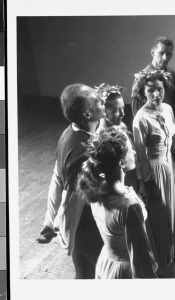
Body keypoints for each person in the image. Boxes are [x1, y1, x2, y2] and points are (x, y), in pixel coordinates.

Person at [37, 84, 104, 279]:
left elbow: (56, 176)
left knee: (84, 274)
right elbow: (68, 196)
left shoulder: (72, 132)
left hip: (85, 224)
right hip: (87, 225)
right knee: (100, 274)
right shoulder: (79, 152)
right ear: (86, 114)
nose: (102, 100)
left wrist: (48, 221)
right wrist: (55, 224)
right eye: (96, 100)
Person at [77, 127, 158, 279]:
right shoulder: (128, 206)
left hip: (107, 262)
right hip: (126, 271)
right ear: (121, 162)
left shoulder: (96, 187)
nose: (134, 152)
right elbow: (140, 262)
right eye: (130, 150)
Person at [132, 69, 175, 275]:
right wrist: (148, 182)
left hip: (168, 167)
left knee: (172, 208)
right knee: (160, 212)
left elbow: (174, 142)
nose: (156, 94)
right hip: (154, 171)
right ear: (142, 93)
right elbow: (140, 154)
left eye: (160, 89)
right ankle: (163, 255)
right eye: (151, 91)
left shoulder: (168, 109)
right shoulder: (140, 118)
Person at [95, 83, 142, 192]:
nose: (123, 114)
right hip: (117, 185)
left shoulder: (122, 126)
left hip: (132, 179)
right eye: (116, 110)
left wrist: (140, 181)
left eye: (123, 108)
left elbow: (134, 154)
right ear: (103, 112)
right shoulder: (100, 138)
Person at [131, 36, 175, 120]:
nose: (165, 58)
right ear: (153, 52)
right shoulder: (142, 78)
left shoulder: (172, 75)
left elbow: (174, 105)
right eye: (161, 53)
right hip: (149, 125)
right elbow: (136, 112)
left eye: (168, 54)